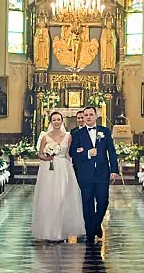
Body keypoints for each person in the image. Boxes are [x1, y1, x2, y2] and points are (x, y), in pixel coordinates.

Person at [31, 111, 87, 242]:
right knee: (50, 199)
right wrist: (48, 157)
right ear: (51, 122)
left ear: (62, 121)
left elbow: (71, 153)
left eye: (58, 119)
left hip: (64, 169)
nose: (56, 122)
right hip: (49, 170)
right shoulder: (45, 137)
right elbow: (40, 155)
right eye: (54, 120)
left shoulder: (68, 136)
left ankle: (62, 230)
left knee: (63, 198)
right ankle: (50, 230)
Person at [70, 105, 119, 245]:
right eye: (86, 115)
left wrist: (114, 170)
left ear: (96, 116)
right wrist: (87, 153)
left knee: (103, 201)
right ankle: (90, 233)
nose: (88, 117)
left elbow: (112, 151)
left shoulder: (105, 131)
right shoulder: (77, 134)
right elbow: (72, 153)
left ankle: (96, 224)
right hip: (85, 174)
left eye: (91, 114)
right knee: (87, 203)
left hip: (102, 173)